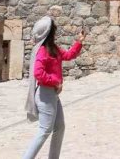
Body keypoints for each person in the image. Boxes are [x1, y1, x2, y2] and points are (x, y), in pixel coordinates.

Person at [23, 17, 84, 159]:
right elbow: (38, 73)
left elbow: (68, 55)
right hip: (45, 95)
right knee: (44, 130)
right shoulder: (43, 50)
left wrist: (79, 42)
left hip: (52, 96)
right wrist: (55, 82)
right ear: (49, 32)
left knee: (59, 127)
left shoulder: (53, 49)